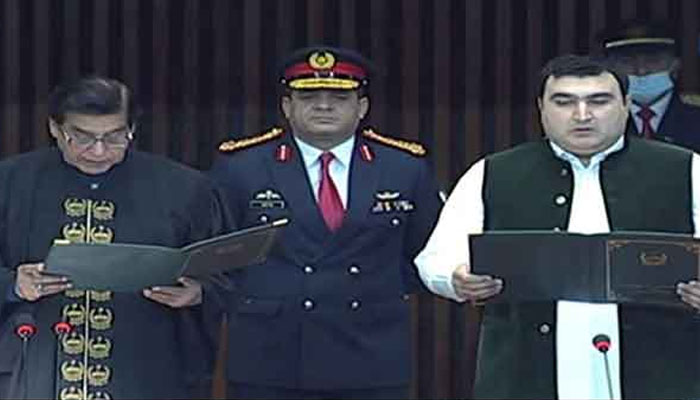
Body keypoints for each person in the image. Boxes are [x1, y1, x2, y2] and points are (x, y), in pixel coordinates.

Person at [415, 55, 700, 399]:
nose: (582, 115)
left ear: (626, 105)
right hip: (525, 373)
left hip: (661, 372)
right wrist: (457, 278)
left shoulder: (685, 169)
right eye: (564, 102)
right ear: (541, 109)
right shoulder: (493, 173)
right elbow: (434, 259)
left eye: (599, 101)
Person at [208, 46, 442, 399]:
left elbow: (427, 255)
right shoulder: (241, 167)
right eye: (309, 96)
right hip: (270, 356)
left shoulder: (404, 167)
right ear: (287, 107)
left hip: (370, 354)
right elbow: (219, 256)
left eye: (339, 97)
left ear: (362, 107)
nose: (324, 106)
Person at [0, 77, 231, 399]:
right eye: (80, 137)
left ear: (132, 129)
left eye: (114, 137)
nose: (98, 151)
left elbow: (233, 276)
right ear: (54, 128)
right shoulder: (10, 183)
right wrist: (12, 284)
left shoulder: (185, 190)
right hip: (35, 370)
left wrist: (198, 293)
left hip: (146, 369)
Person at [600, 20, 700, 151]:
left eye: (653, 60)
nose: (641, 70)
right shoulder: (600, 122)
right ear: (610, 68)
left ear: (675, 65)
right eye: (627, 61)